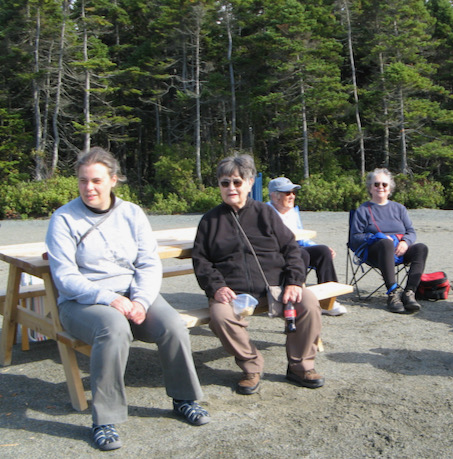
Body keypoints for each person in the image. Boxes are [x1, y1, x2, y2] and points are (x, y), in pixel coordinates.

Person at [45, 147, 209, 452]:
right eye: (83, 180)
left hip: (133, 295)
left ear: (113, 180)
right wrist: (108, 298)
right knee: (114, 328)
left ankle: (184, 399)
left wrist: (142, 301)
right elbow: (65, 277)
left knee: (172, 324)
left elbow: (148, 263)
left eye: (96, 180)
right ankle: (104, 420)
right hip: (82, 303)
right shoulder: (64, 218)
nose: (89, 187)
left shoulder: (132, 213)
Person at [192, 154, 324, 396]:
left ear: (250, 183)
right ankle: (251, 366)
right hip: (232, 292)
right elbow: (201, 261)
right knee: (219, 316)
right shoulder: (210, 221)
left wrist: (294, 281)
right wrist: (217, 287)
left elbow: (292, 249)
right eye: (225, 183)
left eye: (237, 182)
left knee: (308, 301)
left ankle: (300, 366)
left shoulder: (266, 213)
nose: (231, 188)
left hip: (275, 286)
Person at [349, 168, 429, 314]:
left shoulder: (399, 208)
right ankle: (392, 294)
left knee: (421, 248)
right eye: (376, 184)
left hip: (399, 250)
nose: (380, 187)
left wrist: (405, 242)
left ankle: (409, 293)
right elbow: (354, 238)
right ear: (370, 188)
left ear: (390, 188)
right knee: (385, 243)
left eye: (384, 184)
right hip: (375, 252)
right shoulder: (363, 210)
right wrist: (376, 237)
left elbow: (411, 232)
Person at [266, 176, 347, 316]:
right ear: (275, 196)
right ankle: (296, 301)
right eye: (287, 193)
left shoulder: (292, 212)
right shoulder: (265, 212)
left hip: (294, 249)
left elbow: (302, 237)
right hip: (275, 254)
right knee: (300, 254)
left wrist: (316, 245)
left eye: (293, 192)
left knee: (322, 251)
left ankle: (327, 302)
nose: (292, 196)